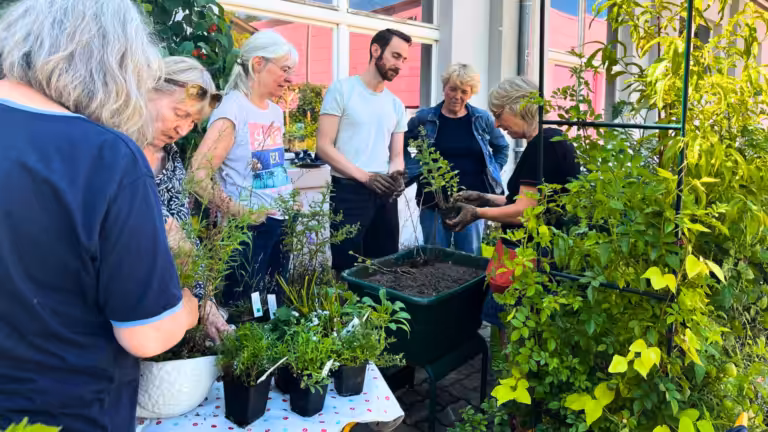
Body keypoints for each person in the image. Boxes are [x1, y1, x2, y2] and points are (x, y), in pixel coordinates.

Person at [0, 0, 199, 430]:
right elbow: (146, 334)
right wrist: (188, 308)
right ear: (115, 62)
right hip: (63, 409)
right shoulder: (105, 155)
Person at [445, 77, 580, 328]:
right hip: (540, 253)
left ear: (518, 105)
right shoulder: (554, 139)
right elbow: (528, 202)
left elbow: (525, 212)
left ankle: (506, 369)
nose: (497, 123)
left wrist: (477, 212)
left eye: (499, 114)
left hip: (526, 259)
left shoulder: (542, 147)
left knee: (507, 326)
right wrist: (485, 197)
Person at [190, 30, 297, 308]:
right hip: (248, 231)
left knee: (274, 306)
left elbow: (265, 167)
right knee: (246, 309)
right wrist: (241, 212)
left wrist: (289, 200)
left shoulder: (273, 111)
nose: (290, 78)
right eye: (284, 69)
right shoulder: (233, 108)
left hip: (279, 221)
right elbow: (197, 174)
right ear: (258, 64)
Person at [145, 56, 230, 343]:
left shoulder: (170, 158)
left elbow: (185, 239)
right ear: (149, 89)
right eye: (180, 113)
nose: (183, 130)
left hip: (165, 310)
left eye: (193, 122)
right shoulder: (112, 150)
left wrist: (205, 300)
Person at [316, 28, 411, 274]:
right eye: (395, 56)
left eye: (403, 59)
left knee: (385, 264)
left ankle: (378, 313)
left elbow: (397, 155)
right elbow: (324, 146)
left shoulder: (396, 104)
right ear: (375, 50)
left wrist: (396, 176)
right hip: (348, 191)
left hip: (384, 193)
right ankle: (346, 314)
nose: (400, 65)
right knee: (346, 266)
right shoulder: (342, 90)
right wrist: (365, 177)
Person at [404, 63, 508, 256]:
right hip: (432, 202)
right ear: (444, 88)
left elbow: (502, 147)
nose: (457, 96)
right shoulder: (423, 119)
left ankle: (468, 288)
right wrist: (413, 168)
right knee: (435, 257)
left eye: (464, 91)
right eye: (452, 89)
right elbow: (406, 146)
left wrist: (491, 170)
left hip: (472, 204)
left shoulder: (481, 119)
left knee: (469, 258)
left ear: (471, 93)